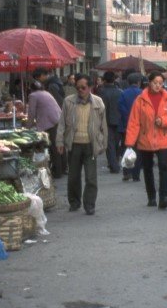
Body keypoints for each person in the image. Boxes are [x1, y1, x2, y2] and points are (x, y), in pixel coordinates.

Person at [125, 70, 167, 209]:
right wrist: (130, 143)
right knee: (148, 169)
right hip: (145, 140)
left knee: (163, 167)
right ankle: (151, 197)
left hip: (163, 139)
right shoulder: (140, 100)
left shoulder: (166, 97)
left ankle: (163, 197)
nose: (158, 86)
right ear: (149, 83)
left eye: (161, 83)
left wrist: (162, 121)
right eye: (155, 83)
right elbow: (134, 122)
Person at [55, 73, 107, 215]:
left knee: (91, 177)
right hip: (74, 144)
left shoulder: (98, 102)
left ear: (90, 87)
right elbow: (62, 123)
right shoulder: (68, 101)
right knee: (73, 176)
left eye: (83, 87)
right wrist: (60, 141)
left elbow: (103, 126)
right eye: (78, 88)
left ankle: (89, 204)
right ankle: (74, 202)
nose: (80, 90)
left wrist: (103, 144)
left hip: (91, 144)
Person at [26, 80, 62, 171]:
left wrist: (27, 127)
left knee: (52, 146)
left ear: (31, 89)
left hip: (49, 122)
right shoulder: (46, 93)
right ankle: (62, 168)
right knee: (57, 145)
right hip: (57, 119)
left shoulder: (33, 95)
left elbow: (31, 113)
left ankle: (57, 170)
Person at [117, 72, 143, 183]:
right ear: (138, 82)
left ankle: (127, 173)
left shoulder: (123, 94)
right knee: (138, 151)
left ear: (128, 82)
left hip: (126, 126)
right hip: (140, 127)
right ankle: (136, 175)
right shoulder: (142, 93)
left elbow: (120, 108)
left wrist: (128, 119)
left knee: (127, 149)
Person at [97, 71, 123, 174]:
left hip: (106, 121)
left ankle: (113, 165)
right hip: (118, 120)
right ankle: (115, 162)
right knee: (117, 143)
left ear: (104, 80)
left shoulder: (101, 92)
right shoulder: (120, 92)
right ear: (114, 79)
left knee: (110, 144)